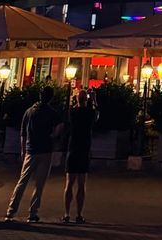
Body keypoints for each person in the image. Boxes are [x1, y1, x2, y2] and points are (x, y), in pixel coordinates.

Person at [5, 86, 59, 224]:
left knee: (22, 182)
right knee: (39, 184)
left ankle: (11, 211)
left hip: (31, 150)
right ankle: (32, 213)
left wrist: (23, 149)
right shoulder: (51, 113)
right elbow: (58, 129)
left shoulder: (29, 111)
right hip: (45, 150)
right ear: (50, 97)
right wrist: (54, 137)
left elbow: (23, 133)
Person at [62, 89, 97, 222]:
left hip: (73, 148)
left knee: (69, 183)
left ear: (77, 99)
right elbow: (96, 116)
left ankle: (66, 214)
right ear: (86, 99)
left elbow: (68, 119)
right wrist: (93, 100)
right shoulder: (89, 113)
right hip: (84, 148)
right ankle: (79, 214)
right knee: (82, 184)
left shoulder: (73, 112)